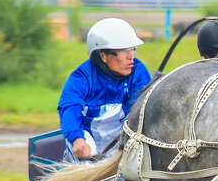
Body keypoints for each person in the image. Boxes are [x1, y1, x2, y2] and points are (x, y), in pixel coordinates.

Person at [58, 18, 152, 161]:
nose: (131, 57)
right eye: (124, 51)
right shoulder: (81, 77)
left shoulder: (137, 71)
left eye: (133, 49)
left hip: (121, 142)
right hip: (87, 144)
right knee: (87, 157)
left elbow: (144, 108)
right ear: (103, 56)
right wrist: (77, 139)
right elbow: (70, 108)